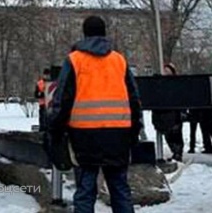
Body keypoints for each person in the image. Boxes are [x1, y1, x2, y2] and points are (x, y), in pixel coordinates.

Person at [47, 15, 143, 213]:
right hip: (118, 136)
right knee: (120, 188)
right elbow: (134, 99)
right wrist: (135, 131)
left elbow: (63, 98)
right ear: (104, 33)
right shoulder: (119, 60)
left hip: (84, 136)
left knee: (85, 190)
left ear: (84, 34)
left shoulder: (74, 60)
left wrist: (55, 130)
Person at [151, 63, 185, 162]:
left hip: (174, 114)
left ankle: (178, 153)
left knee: (176, 134)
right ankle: (175, 152)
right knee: (168, 135)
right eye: (165, 70)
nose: (165, 72)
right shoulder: (163, 82)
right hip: (165, 115)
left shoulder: (176, 82)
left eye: (167, 70)